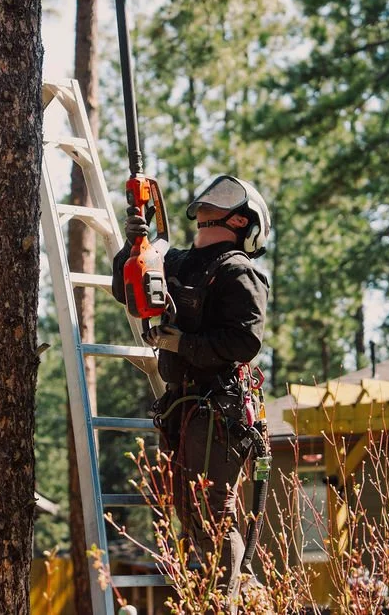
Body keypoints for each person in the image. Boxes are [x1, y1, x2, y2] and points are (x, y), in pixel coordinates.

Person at [111, 175, 271, 610]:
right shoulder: (175, 261)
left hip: (220, 407)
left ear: (239, 219)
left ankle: (223, 604)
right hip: (182, 404)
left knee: (211, 517)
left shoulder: (239, 270)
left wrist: (181, 344)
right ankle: (233, 597)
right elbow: (126, 289)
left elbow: (244, 343)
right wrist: (134, 249)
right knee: (190, 513)